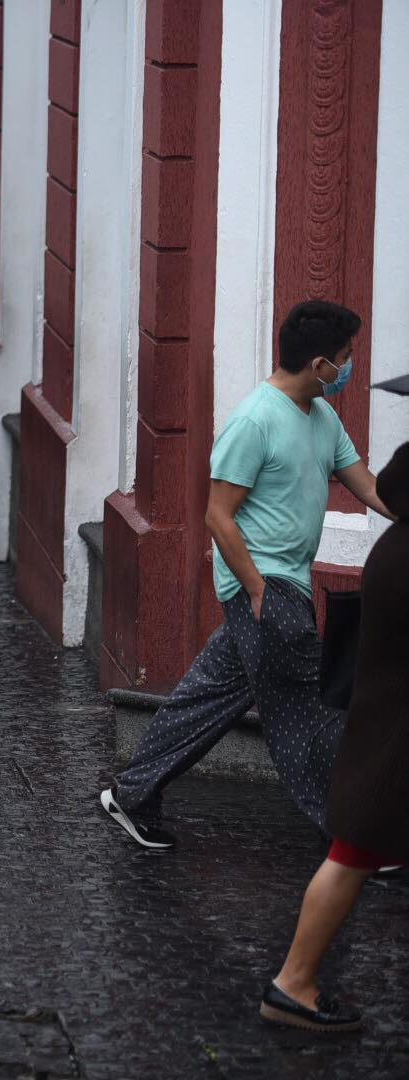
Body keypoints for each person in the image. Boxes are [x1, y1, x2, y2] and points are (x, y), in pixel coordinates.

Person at [99, 300, 396, 850]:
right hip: (268, 588)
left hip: (286, 588)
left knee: (208, 699)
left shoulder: (323, 419)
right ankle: (358, 841)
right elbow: (217, 516)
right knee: (310, 712)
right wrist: (258, 591)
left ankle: (131, 793)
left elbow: (370, 487)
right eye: (346, 358)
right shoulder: (255, 420)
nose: (350, 367)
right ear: (318, 364)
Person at [260, 440, 406, 1033]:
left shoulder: (395, 545)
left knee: (351, 855)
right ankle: (293, 983)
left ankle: (293, 982)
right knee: (349, 857)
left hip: (382, 731)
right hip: (395, 743)